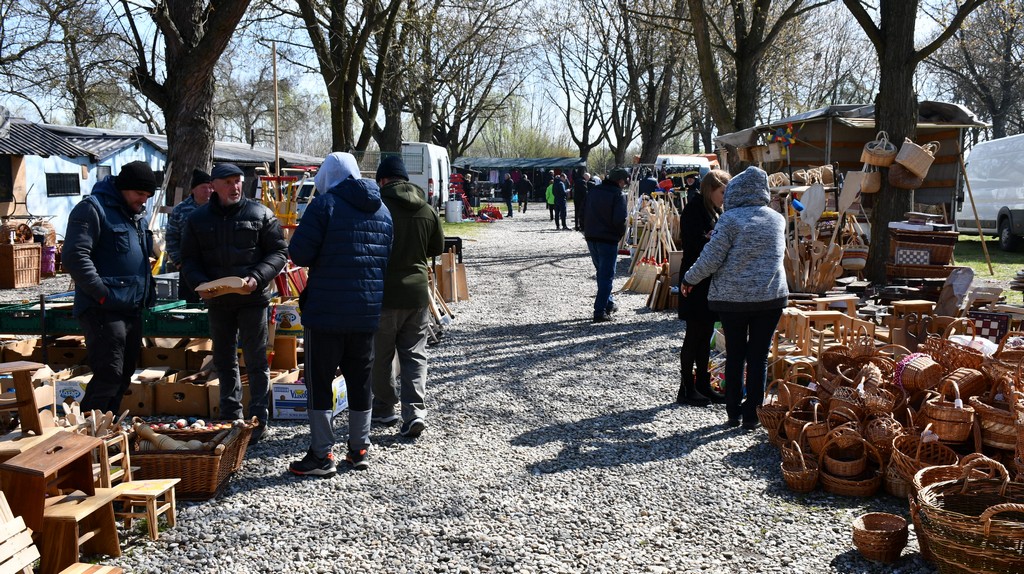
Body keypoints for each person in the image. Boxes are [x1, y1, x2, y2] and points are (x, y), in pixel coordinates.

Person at [287, 152, 393, 475]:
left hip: (326, 313)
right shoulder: (383, 209)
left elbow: (299, 252)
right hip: (365, 311)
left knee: (320, 382)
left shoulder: (324, 206)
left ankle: (321, 455)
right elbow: (385, 257)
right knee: (361, 380)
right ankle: (359, 449)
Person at [180, 163, 287, 443]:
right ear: (213, 185)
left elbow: (278, 253)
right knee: (224, 359)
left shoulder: (260, 213)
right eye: (228, 182)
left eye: (238, 181)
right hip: (218, 301)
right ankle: (231, 416)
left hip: (253, 299)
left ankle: (259, 419)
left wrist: (257, 277)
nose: (235, 187)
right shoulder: (198, 219)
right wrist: (199, 284)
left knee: (256, 360)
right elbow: (188, 259)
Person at [680, 166, 788, 430]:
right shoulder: (777, 219)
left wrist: (688, 279)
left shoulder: (729, 219)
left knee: (736, 354)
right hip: (770, 297)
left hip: (733, 299)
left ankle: (733, 413)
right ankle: (752, 415)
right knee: (759, 356)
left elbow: (711, 258)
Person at [63, 161, 158, 413]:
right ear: (124, 188)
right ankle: (85, 435)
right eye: (140, 194)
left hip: (131, 307)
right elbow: (75, 256)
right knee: (109, 374)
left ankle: (107, 429)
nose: (144, 201)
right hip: (102, 308)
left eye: (148, 196)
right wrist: (102, 295)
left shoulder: (135, 214)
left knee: (124, 374)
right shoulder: (92, 209)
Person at [370, 156, 445, 439]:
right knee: (415, 355)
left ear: (382, 180)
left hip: (384, 292)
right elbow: (436, 246)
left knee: (381, 355)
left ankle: (385, 407)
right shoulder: (426, 209)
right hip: (416, 293)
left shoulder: (377, 207)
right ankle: (414, 412)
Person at [676, 169, 731, 407]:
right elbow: (692, 243)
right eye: (722, 192)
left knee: (704, 334)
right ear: (711, 189)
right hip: (695, 280)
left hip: (706, 282)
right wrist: (710, 238)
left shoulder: (714, 210)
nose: (724, 197)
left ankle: (702, 385)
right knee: (694, 335)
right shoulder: (694, 208)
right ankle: (686, 387)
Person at [584, 167, 629, 323]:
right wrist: (620, 235)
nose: (625, 184)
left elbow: (585, 211)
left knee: (600, 272)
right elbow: (620, 220)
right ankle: (599, 310)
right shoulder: (618, 195)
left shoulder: (594, 191)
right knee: (606, 276)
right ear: (620, 181)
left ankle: (608, 303)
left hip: (591, 236)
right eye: (624, 181)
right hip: (607, 239)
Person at [164, 169, 213, 302]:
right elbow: (171, 237)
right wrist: (179, 262)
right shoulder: (180, 210)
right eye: (204, 187)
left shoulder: (218, 208)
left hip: (214, 267)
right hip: (189, 268)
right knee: (190, 306)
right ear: (193, 190)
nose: (208, 191)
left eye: (210, 187)